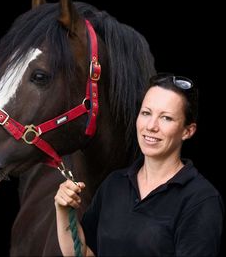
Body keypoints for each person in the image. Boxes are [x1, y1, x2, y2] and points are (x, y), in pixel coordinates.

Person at [54, 73, 225, 256]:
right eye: (146, 113)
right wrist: (63, 210)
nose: (151, 126)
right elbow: (82, 253)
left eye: (166, 118)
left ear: (187, 131)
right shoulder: (114, 184)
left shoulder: (200, 199)